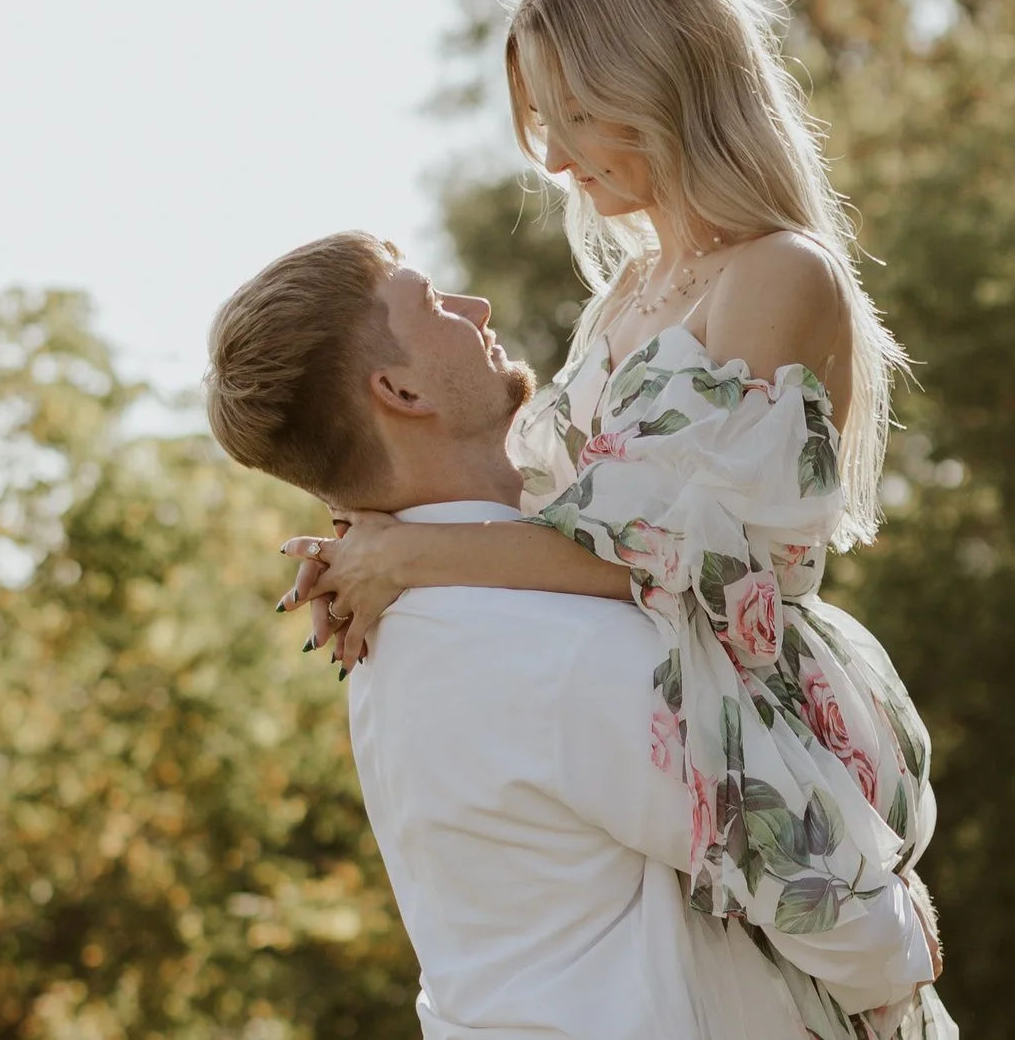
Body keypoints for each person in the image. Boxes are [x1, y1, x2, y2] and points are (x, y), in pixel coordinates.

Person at [279, 0, 953, 1040]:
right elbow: (548, 511)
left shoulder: (778, 275)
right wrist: (364, 527)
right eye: (542, 120)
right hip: (661, 735)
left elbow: (671, 551)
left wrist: (408, 552)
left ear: (658, 81)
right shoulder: (633, 289)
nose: (553, 156)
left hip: (743, 719)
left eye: (572, 112)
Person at [205, 233, 940, 1040]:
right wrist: (907, 932)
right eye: (435, 303)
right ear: (401, 387)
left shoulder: (404, 618)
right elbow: (818, 890)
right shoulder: (556, 643)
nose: (475, 307)